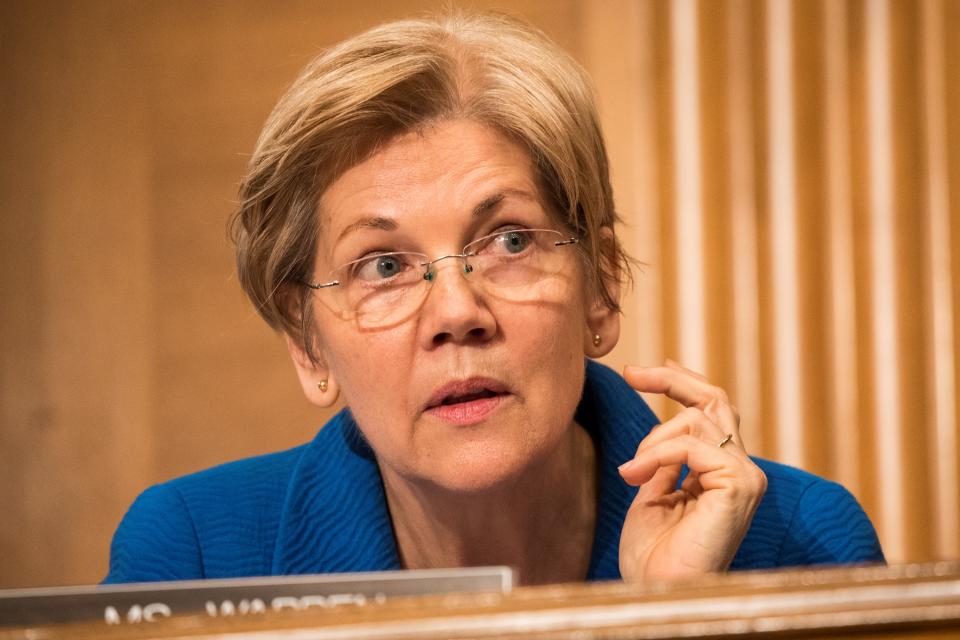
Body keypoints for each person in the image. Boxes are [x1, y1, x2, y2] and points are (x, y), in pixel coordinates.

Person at [105, 12, 883, 586]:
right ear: (310, 347)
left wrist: (667, 619)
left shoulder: (799, 543)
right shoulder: (193, 560)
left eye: (509, 242)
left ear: (601, 286)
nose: (456, 313)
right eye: (381, 266)